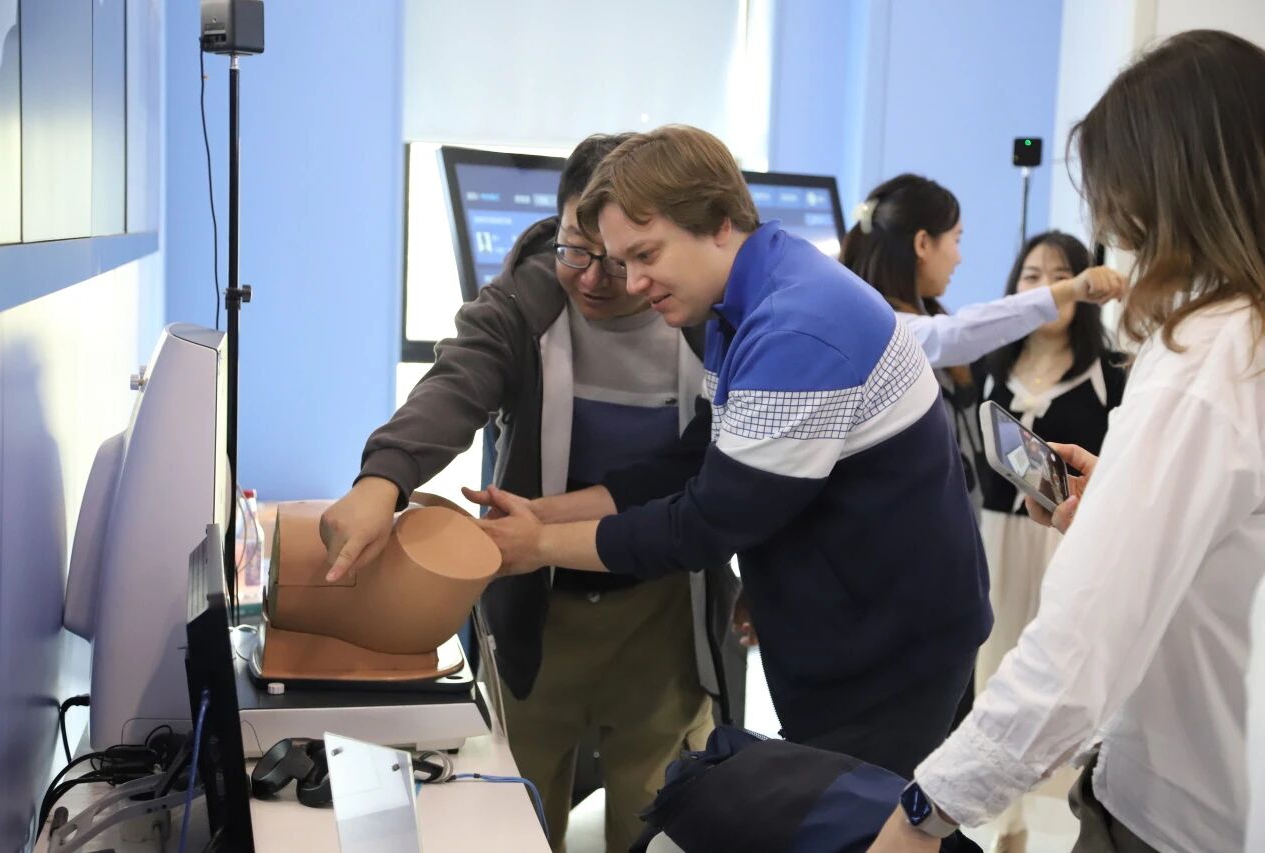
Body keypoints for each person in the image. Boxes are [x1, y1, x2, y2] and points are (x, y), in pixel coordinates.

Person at [470, 124, 991, 780]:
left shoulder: (797, 326)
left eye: (645, 254)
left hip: (891, 650)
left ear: (719, 222)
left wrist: (539, 546)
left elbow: (704, 524)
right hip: (845, 624)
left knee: (864, 819)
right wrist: (544, 513)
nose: (633, 283)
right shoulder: (744, 298)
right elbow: (698, 459)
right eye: (622, 260)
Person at [870, 29, 1265, 853]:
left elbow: (1077, 651)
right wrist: (1121, 501)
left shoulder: (1204, 362)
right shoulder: (1238, 343)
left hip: (1170, 811)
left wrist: (924, 809)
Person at [318, 133, 738, 853]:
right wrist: (382, 479)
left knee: (657, 817)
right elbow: (457, 383)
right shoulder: (524, 302)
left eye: (621, 261)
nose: (595, 279)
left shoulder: (703, 318)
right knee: (515, 816)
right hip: (539, 612)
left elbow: (708, 467)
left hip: (663, 609)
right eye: (577, 249)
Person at [840, 176, 1124, 510]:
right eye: (956, 239)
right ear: (923, 244)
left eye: (1060, 276)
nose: (959, 257)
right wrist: (1070, 289)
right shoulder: (883, 327)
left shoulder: (1110, 372)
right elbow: (958, 333)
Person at [977, 232, 1128, 853]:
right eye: (1031, 276)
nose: (1045, 288)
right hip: (993, 542)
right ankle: (1003, 825)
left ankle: (1055, 822)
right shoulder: (986, 365)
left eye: (1060, 274)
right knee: (994, 676)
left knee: (1060, 678)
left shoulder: (1112, 373)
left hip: (1068, 544)